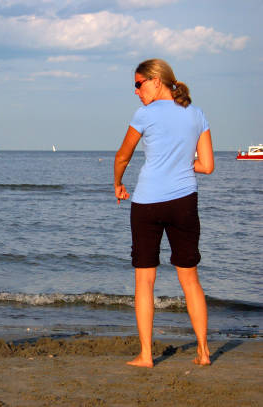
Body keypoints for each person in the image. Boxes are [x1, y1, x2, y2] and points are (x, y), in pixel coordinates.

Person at [114, 59, 214, 368]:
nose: (136, 91)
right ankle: (203, 352)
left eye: (138, 84)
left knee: (145, 280)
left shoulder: (144, 115)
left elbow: (122, 155)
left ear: (157, 81)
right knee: (190, 279)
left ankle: (146, 355)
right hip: (184, 201)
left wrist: (117, 183)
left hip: (147, 203)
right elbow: (207, 166)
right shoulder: (196, 114)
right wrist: (182, 164)